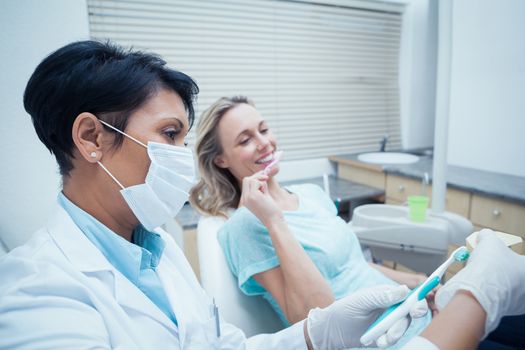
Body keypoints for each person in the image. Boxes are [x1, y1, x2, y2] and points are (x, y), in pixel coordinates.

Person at [0, 40, 523, 350]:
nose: (179, 154)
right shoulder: (36, 296)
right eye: (168, 135)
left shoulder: (155, 252)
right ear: (92, 138)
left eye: (183, 137)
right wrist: (475, 300)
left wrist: (317, 334)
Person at [190, 96, 432, 348]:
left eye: (264, 130)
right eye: (245, 140)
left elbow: (354, 265)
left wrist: (417, 283)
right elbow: (316, 320)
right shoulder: (244, 227)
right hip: (381, 339)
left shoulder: (311, 194)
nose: (264, 143)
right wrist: (274, 221)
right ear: (221, 160)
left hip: (414, 313)